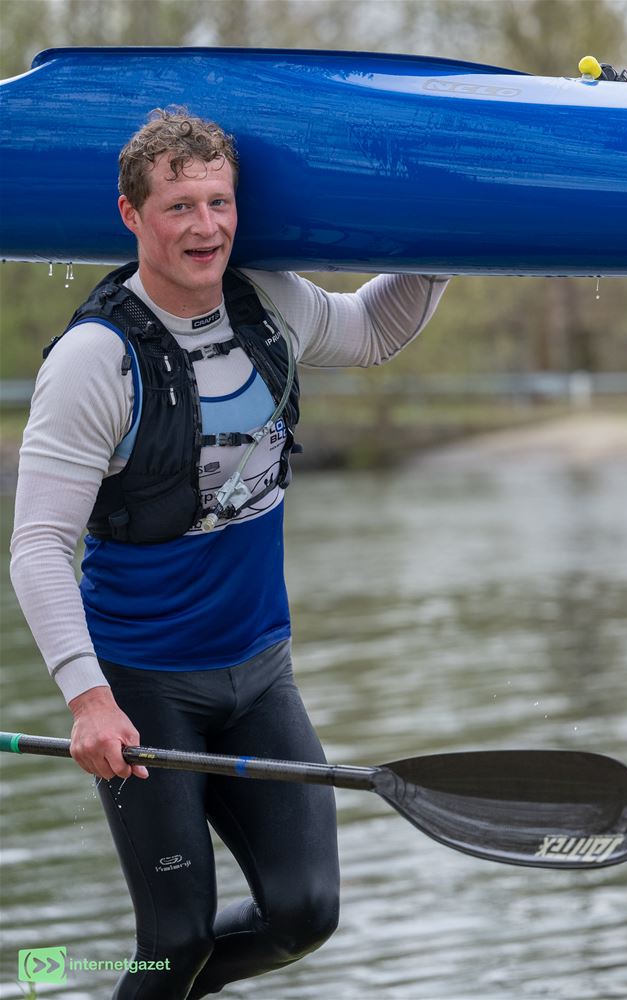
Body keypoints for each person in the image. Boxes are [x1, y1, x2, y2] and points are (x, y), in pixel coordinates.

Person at [10, 108, 449, 999]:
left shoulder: (265, 302)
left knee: (304, 911)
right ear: (132, 215)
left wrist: (450, 240)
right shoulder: (95, 360)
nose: (204, 226)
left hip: (259, 671)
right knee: (173, 939)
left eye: (219, 202)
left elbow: (369, 329)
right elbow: (38, 546)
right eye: (179, 206)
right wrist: (88, 700)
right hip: (144, 687)